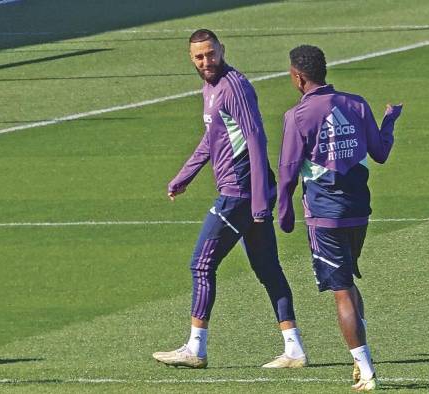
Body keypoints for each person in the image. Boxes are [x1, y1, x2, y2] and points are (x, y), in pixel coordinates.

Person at [152, 29, 307, 369]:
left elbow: (255, 139)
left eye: (211, 54)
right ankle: (294, 348)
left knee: (201, 264)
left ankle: (196, 348)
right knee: (267, 268)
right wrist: (184, 176)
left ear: (222, 50)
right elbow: (212, 140)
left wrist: (258, 204)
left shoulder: (233, 86)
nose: (206, 61)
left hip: (239, 193)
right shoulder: (209, 88)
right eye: (199, 57)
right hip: (247, 192)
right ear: (191, 58)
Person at [277, 45, 403, 391]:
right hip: (359, 212)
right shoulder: (357, 104)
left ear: (298, 77)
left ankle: (366, 370)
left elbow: (287, 171)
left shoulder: (297, 116)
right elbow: (380, 153)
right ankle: (359, 360)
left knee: (341, 290)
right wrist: (389, 121)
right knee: (347, 281)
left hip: (324, 216)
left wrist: (283, 211)